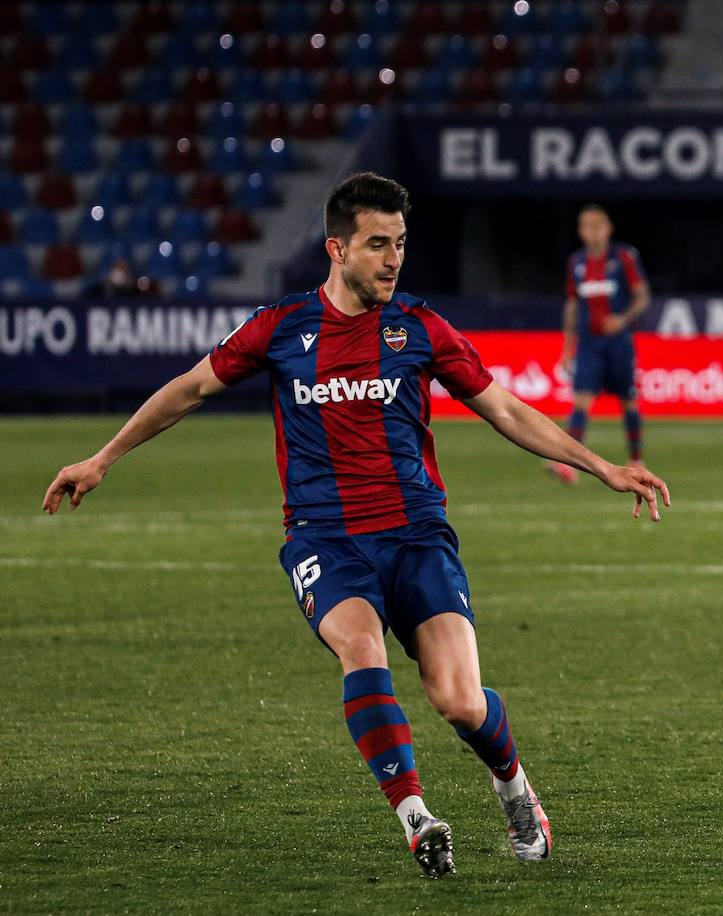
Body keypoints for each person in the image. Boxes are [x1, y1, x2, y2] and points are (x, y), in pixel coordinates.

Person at [42, 173, 670, 879]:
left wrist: (603, 467)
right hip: (324, 538)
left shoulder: (423, 328)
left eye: (400, 243)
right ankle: (417, 817)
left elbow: (507, 410)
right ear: (336, 248)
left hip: (416, 536)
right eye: (378, 245)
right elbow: (190, 389)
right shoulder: (282, 329)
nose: (393, 259)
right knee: (361, 650)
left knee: (460, 701)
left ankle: (515, 790)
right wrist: (103, 458)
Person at [546, 205, 650, 484]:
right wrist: (567, 349)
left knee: (629, 400)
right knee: (581, 401)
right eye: (588, 226)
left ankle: (636, 460)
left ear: (609, 228)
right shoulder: (577, 263)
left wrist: (622, 318)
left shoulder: (624, 258)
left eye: (599, 225)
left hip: (618, 342)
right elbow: (571, 305)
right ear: (580, 231)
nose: (594, 232)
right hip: (589, 344)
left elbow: (642, 297)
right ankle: (570, 465)